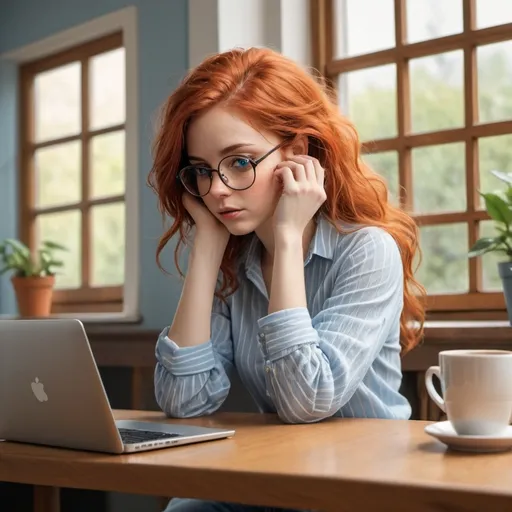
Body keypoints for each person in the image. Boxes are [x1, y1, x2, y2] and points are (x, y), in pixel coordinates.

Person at [147, 47, 426, 512]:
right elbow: (185, 400)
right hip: (281, 478)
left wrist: (289, 235)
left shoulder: (367, 250)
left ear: (297, 153)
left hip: (367, 488)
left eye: (239, 162)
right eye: (200, 170)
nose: (216, 190)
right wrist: (208, 250)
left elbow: (307, 399)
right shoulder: (238, 260)